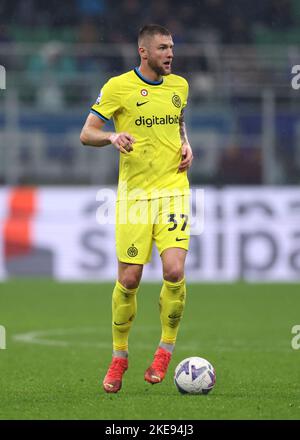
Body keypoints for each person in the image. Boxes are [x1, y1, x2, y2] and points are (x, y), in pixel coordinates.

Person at [80, 24, 193, 393]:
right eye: (163, 48)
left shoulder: (180, 86)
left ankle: (165, 350)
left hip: (174, 190)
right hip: (134, 197)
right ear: (144, 52)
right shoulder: (117, 87)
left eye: (172, 47)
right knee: (129, 279)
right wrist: (112, 135)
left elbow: (177, 121)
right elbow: (87, 132)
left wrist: (186, 143)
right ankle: (119, 356)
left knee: (174, 270)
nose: (170, 54)